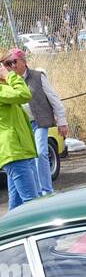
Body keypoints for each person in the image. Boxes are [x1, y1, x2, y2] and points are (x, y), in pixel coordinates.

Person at [2, 49, 67, 196]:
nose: (11, 66)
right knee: (28, 161)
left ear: (24, 62)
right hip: (22, 127)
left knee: (40, 152)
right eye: (7, 64)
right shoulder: (6, 82)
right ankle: (36, 189)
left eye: (13, 62)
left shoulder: (37, 76)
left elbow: (54, 98)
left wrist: (62, 121)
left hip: (38, 122)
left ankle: (46, 190)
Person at [0, 54, 41, 210]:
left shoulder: (5, 88)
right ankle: (43, 234)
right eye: (5, 64)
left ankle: (10, 233)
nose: (10, 67)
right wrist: (10, 76)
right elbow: (24, 94)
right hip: (14, 153)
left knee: (16, 206)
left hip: (19, 152)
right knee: (32, 203)